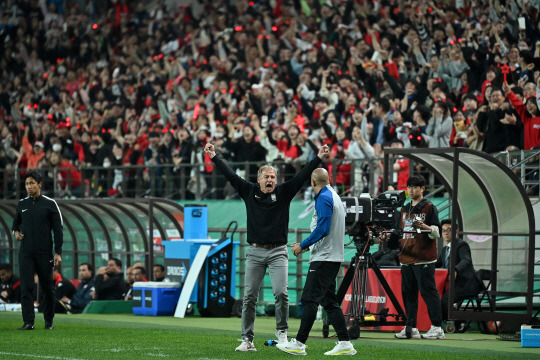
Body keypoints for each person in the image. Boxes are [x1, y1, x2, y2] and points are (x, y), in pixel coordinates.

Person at [203, 141, 330, 352]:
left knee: (281, 292)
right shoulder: (248, 190)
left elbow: (301, 176)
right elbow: (230, 175)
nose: (270, 180)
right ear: (259, 179)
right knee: (249, 296)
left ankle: (281, 333)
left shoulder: (283, 192)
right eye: (267, 177)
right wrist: (214, 156)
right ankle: (247, 339)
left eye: (273, 177)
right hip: (255, 251)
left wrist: (318, 157)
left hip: (278, 251)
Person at [276, 168, 356, 356]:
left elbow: (323, 228)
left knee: (309, 299)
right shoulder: (335, 196)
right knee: (329, 302)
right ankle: (345, 342)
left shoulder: (323, 198)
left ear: (312, 183)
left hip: (324, 257)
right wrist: (306, 246)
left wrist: (303, 245)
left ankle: (299, 343)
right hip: (332, 256)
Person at [392, 175, 444, 340]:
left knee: (429, 293)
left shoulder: (429, 207)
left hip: (424, 259)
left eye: (415, 187)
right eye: (409, 187)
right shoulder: (404, 209)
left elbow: (437, 233)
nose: (411, 190)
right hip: (406, 259)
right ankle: (411, 327)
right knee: (408, 295)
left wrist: (426, 227)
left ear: (422, 189)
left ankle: (437, 328)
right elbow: (399, 232)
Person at [11, 170, 63, 330]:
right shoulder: (22, 203)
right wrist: (16, 233)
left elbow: (58, 229)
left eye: (32, 183)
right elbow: (15, 224)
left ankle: (49, 321)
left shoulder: (50, 203)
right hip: (26, 253)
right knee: (26, 286)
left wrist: (58, 252)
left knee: (48, 287)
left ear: (39, 184)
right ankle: (29, 322)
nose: (29, 186)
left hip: (44, 253)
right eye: (27, 184)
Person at [436, 219, 480, 332]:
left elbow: (466, 260)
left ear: (456, 232)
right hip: (453, 285)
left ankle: (459, 322)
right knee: (436, 297)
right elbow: (437, 264)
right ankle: (452, 322)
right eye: (444, 230)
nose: (446, 233)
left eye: (449, 230)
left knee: (445, 299)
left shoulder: (461, 245)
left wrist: (455, 269)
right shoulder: (445, 249)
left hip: (466, 284)